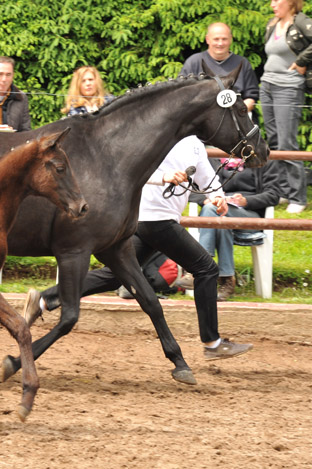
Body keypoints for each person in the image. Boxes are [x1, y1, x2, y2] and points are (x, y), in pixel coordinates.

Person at [23, 136, 253, 361]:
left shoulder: (194, 143)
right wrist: (164, 176)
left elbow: (206, 176)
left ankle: (43, 300)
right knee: (207, 269)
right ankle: (212, 343)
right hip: (155, 220)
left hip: (155, 220)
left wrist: (217, 196)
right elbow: (129, 167)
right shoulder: (160, 134)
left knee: (116, 276)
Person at [187, 157, 281, 301]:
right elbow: (191, 189)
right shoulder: (211, 159)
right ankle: (227, 280)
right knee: (221, 220)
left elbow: (273, 195)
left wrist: (246, 201)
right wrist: (205, 199)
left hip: (249, 215)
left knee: (213, 210)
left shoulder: (262, 158)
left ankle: (199, 269)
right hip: (217, 213)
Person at [260, 0, 312, 214]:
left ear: (291, 2)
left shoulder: (302, 22)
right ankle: (282, 191)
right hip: (268, 85)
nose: (272, 4)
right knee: (273, 141)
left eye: (277, 0)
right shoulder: (273, 24)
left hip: (288, 87)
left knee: (287, 142)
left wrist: (301, 61)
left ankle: (298, 197)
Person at [180, 22, 260, 116]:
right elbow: (182, 96)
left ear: (231, 39)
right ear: (208, 39)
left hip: (236, 119)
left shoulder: (242, 63)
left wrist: (233, 114)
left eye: (224, 39)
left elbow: (251, 98)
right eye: (216, 39)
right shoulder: (193, 62)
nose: (220, 43)